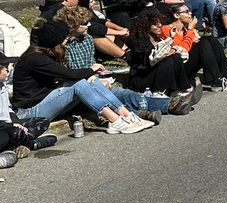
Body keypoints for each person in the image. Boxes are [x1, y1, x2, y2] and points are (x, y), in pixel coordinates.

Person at [12, 20, 153, 135]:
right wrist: (91, 69)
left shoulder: (44, 55)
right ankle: (114, 121)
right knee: (80, 83)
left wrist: (90, 76)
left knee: (90, 80)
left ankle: (125, 114)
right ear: (54, 41)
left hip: (43, 100)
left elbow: (63, 78)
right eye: (65, 39)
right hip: (29, 110)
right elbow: (70, 75)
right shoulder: (35, 59)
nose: (67, 41)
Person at [163, 3, 227, 92]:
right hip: (178, 69)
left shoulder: (185, 29)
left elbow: (191, 44)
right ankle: (215, 81)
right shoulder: (167, 29)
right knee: (203, 44)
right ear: (176, 15)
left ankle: (226, 75)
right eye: (187, 12)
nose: (190, 14)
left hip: (187, 62)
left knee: (210, 39)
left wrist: (192, 34)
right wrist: (191, 31)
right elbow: (182, 50)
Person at [0, 51, 59, 167]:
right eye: (4, 67)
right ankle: (31, 144)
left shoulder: (2, 86)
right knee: (13, 133)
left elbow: (8, 109)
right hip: (3, 127)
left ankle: (19, 143)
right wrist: (11, 126)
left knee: (42, 122)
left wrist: (16, 122)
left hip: (8, 125)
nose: (8, 70)